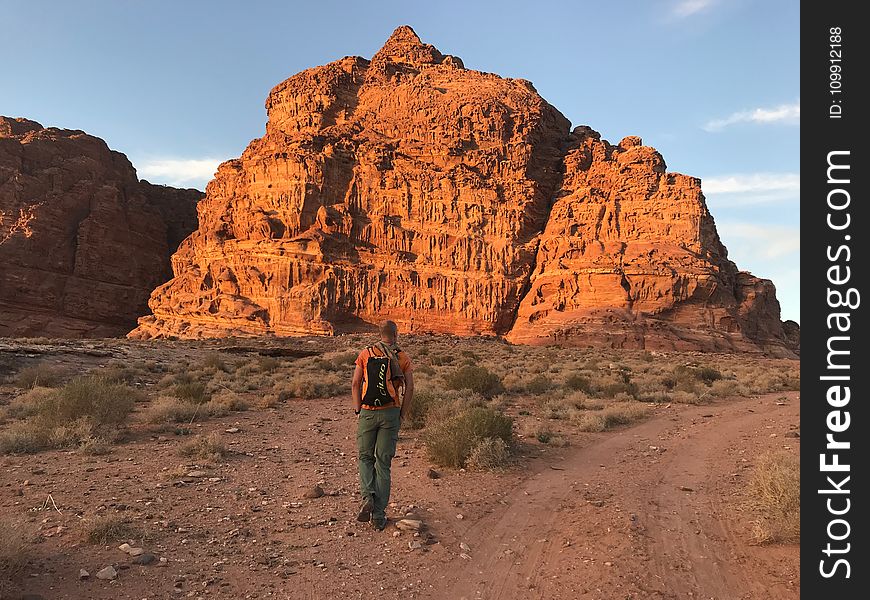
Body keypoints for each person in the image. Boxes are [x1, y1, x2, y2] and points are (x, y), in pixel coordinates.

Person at [351, 320, 414, 530]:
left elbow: (355, 383)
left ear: (380, 334)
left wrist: (359, 409)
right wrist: (402, 414)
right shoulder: (402, 356)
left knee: (365, 457)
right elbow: (410, 387)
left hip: (368, 412)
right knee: (383, 463)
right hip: (391, 413)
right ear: (396, 334)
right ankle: (378, 516)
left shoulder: (365, 354)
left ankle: (367, 497)